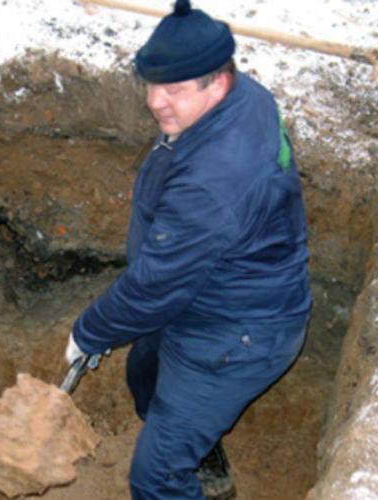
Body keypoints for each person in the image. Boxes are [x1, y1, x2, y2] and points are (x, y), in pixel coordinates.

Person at [64, 1, 312, 499]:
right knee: (145, 375)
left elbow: (155, 286)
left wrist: (88, 333)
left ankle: (184, 459)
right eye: (153, 86)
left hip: (237, 333)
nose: (156, 103)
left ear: (217, 82)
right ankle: (202, 453)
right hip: (207, 295)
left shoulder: (216, 178)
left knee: (154, 479)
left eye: (173, 90)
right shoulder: (242, 98)